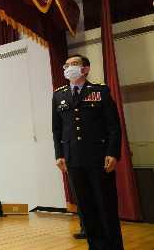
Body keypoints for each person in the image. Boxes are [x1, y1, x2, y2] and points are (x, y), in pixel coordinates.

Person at [52, 54, 123, 250]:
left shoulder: (100, 92)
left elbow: (113, 126)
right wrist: (59, 154)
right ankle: (96, 246)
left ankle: (113, 247)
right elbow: (57, 129)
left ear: (85, 69)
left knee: (105, 205)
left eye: (74, 64)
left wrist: (113, 152)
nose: (68, 68)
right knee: (85, 208)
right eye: (66, 65)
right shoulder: (59, 94)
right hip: (73, 159)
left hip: (99, 158)